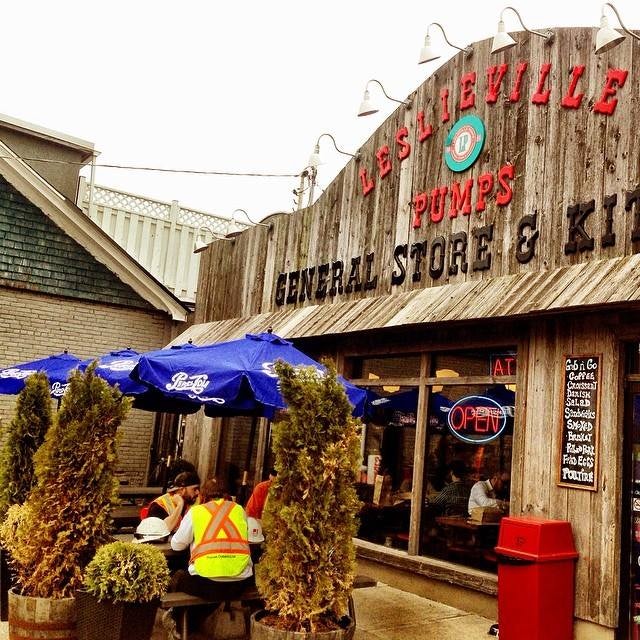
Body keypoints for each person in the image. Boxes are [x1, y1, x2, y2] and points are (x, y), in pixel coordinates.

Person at [170, 477, 253, 601]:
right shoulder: (239, 510)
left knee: (177, 576)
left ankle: (178, 617)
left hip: (206, 583)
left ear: (203, 495)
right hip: (239, 584)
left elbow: (177, 545)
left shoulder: (196, 512)